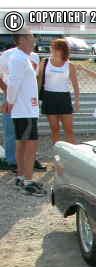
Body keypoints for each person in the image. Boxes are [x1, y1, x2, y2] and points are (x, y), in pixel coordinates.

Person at [6, 31, 45, 195]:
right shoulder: (18, 59)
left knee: (23, 143)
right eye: (31, 37)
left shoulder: (22, 57)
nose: (34, 39)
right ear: (22, 39)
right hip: (24, 109)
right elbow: (13, 83)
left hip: (26, 109)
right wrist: (10, 102)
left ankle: (21, 178)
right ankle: (27, 181)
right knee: (30, 144)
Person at [0, 40, 38, 172]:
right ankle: (12, 161)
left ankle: (28, 162)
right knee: (11, 130)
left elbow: (34, 77)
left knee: (28, 134)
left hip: (27, 99)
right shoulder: (7, 55)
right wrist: (7, 92)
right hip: (12, 96)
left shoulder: (34, 56)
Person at [39, 38, 81, 144]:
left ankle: (73, 153)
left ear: (63, 50)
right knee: (55, 129)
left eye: (56, 48)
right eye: (52, 48)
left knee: (69, 130)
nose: (53, 50)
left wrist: (77, 101)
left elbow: (75, 85)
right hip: (48, 97)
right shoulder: (44, 62)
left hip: (64, 98)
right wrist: (37, 97)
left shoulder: (69, 65)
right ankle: (56, 153)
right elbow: (39, 81)